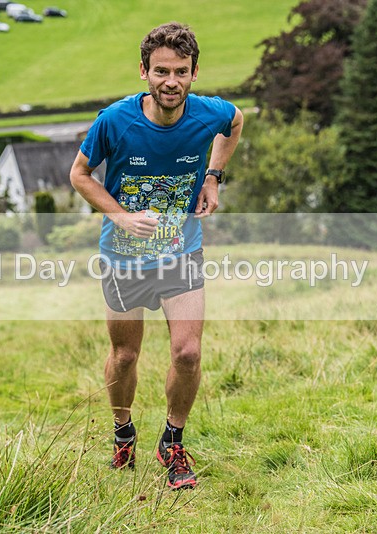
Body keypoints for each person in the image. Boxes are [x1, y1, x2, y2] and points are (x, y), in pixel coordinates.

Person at [70, 22, 243, 490]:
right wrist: (121, 216)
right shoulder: (115, 121)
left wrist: (213, 177)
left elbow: (236, 121)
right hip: (123, 256)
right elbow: (80, 175)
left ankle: (172, 441)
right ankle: (122, 432)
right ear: (144, 71)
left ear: (194, 73)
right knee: (125, 355)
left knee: (188, 352)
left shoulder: (208, 114)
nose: (171, 81)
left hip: (180, 250)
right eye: (161, 71)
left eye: (181, 72)